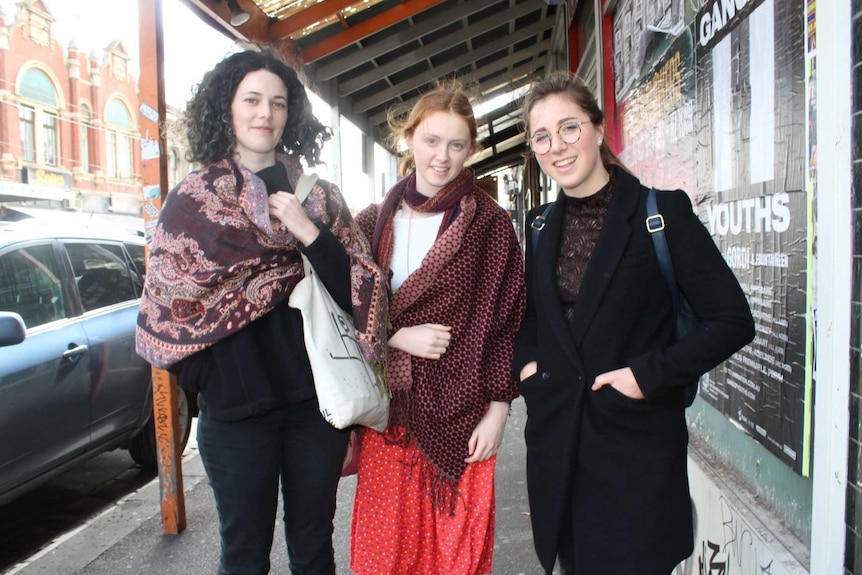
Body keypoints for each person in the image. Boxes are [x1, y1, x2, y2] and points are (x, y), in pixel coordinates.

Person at [135, 48, 388, 575]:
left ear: (289, 112)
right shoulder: (191, 201)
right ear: (226, 108)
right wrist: (214, 383)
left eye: (277, 102)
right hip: (235, 419)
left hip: (313, 411)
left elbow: (360, 292)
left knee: (313, 547)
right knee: (244, 555)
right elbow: (166, 312)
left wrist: (308, 231)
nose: (264, 113)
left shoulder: (318, 197)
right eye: (251, 99)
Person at [513, 71, 755, 575]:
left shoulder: (661, 214)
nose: (557, 146)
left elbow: (731, 320)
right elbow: (534, 318)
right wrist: (529, 369)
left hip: (635, 455)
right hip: (559, 454)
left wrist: (649, 375)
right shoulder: (538, 227)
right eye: (542, 137)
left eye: (570, 128)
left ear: (600, 130)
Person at [349, 83, 526, 575]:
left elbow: (507, 321)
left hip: (465, 415)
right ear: (409, 139)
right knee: (386, 555)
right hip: (390, 416)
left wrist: (499, 411)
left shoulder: (489, 224)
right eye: (431, 140)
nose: (441, 157)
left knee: (456, 556)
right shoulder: (372, 223)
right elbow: (341, 308)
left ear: (471, 148)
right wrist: (393, 336)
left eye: (456, 145)